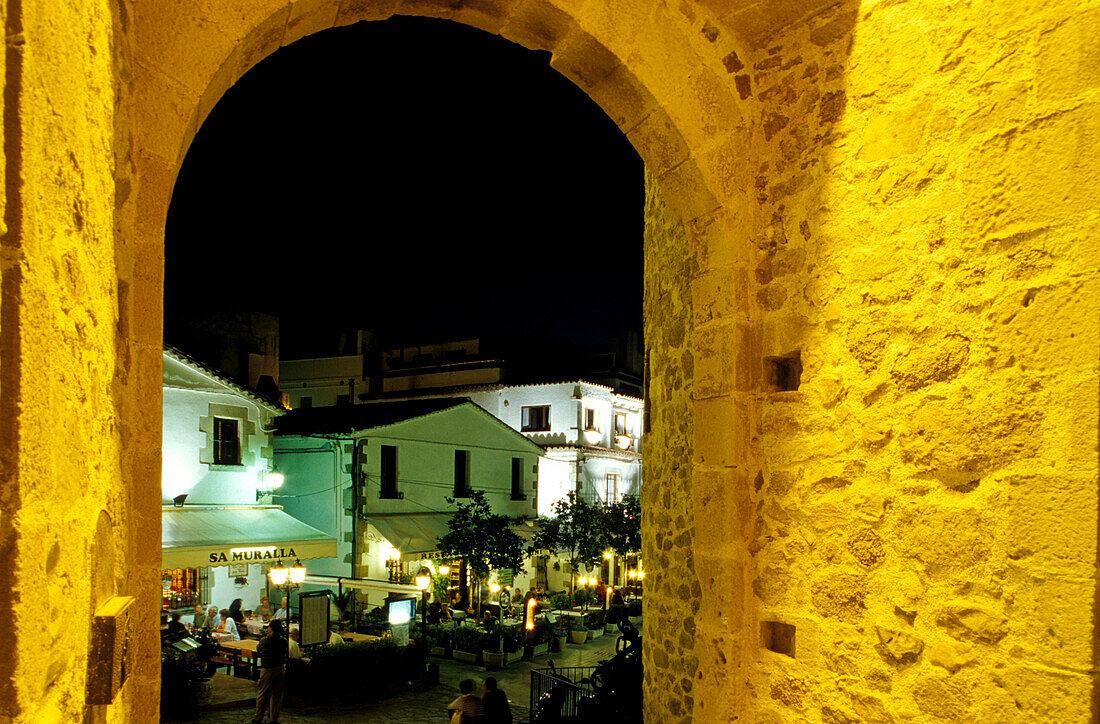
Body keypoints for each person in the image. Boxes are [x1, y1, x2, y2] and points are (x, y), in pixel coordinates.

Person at [251, 620, 288, 724]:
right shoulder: (283, 640)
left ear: (271, 628)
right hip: (280, 668)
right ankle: (273, 718)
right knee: (276, 695)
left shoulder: (265, 640)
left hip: (267, 668)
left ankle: (258, 717)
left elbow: (258, 649)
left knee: (262, 693)